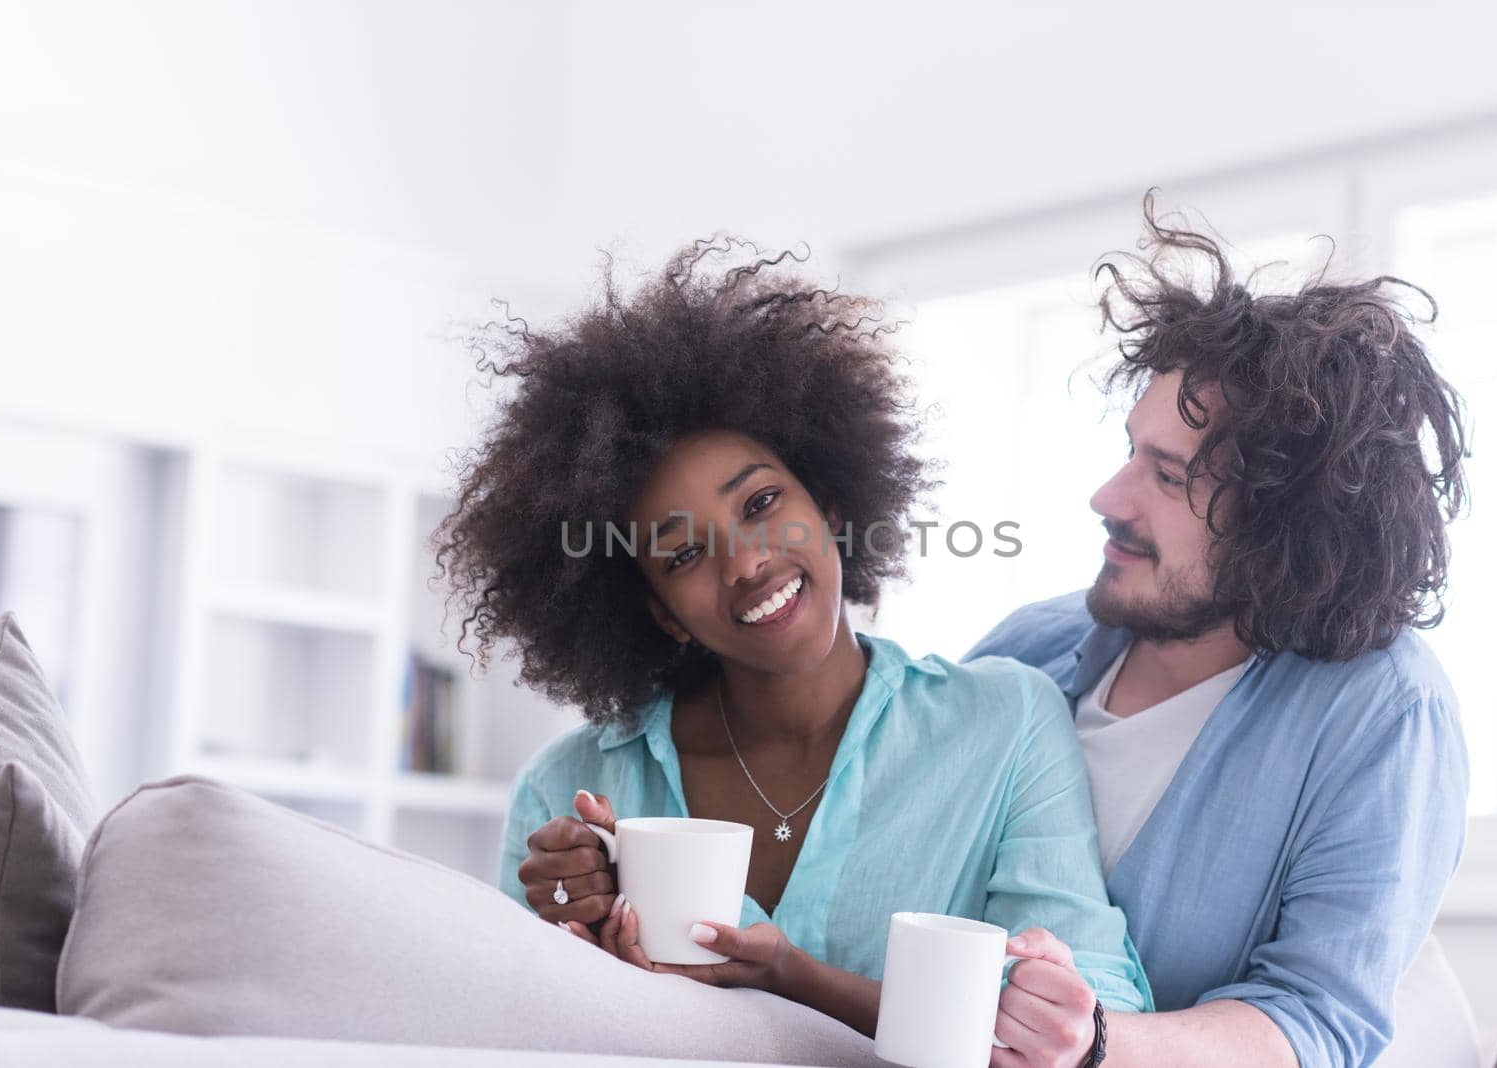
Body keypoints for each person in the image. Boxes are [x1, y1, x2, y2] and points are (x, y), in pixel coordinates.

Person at [432, 238, 1151, 1065]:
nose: (747, 562)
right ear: (659, 613)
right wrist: (570, 953)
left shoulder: (1004, 724)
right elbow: (509, 1042)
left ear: (834, 503)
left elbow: (1083, 1011)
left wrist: (793, 981)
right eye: (683, 555)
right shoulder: (570, 786)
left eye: (764, 502)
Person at [967, 198, 1471, 1068]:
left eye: (1167, 476)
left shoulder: (1384, 713)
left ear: (1286, 527)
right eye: (1131, 451)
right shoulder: (1031, 649)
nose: (1109, 499)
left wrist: (1091, 1044)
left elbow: (1315, 1019)